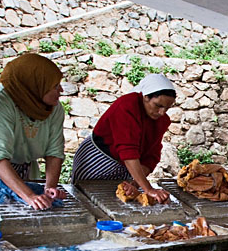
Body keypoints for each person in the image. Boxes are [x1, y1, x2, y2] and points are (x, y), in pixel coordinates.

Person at [0, 53, 67, 210]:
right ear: (35, 86)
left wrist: (50, 189)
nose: (61, 90)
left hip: (19, 157)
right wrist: (29, 196)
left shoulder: (54, 109)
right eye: (55, 86)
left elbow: (54, 152)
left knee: (15, 205)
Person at [70, 73, 176, 203]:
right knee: (86, 200)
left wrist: (134, 183)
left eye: (167, 108)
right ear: (145, 97)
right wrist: (148, 189)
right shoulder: (127, 106)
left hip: (125, 166)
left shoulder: (161, 121)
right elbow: (128, 151)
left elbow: (150, 156)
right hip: (97, 160)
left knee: (118, 201)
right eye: (158, 105)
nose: (162, 112)